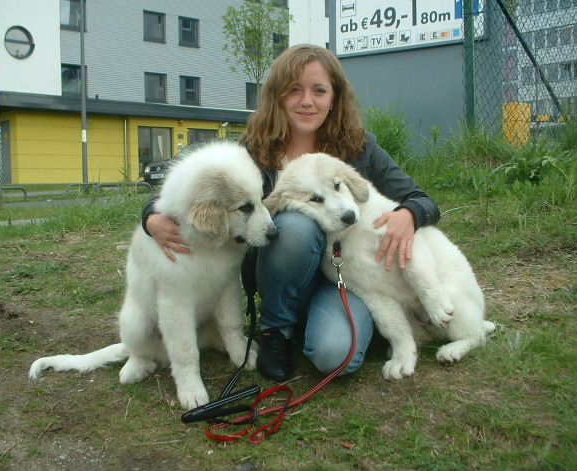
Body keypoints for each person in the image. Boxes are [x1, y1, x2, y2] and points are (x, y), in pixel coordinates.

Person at [141, 44, 440, 383]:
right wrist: (151, 216)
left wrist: (409, 214)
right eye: (294, 89)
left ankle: (335, 324)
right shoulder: (252, 151)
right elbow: (186, 190)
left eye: (319, 90)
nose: (307, 101)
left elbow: (422, 200)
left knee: (334, 355)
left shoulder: (359, 147)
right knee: (296, 226)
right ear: (277, 95)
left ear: (335, 97)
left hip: (346, 279)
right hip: (278, 277)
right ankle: (276, 330)